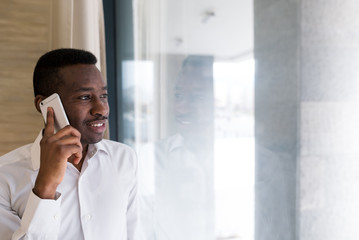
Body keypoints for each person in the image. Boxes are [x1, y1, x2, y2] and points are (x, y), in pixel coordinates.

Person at [0, 48, 138, 239]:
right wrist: (46, 187)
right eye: (85, 97)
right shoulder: (4, 176)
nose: (101, 109)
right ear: (46, 105)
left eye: (104, 96)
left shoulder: (124, 158)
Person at [138, 55, 215, 240]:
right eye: (178, 96)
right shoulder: (151, 157)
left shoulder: (243, 160)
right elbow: (142, 228)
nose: (182, 107)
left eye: (197, 97)